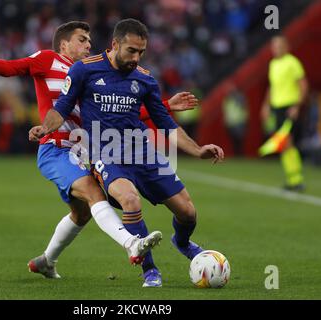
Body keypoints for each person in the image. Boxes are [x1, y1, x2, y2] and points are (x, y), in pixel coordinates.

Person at [0, 21, 199, 285]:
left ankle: (46, 261)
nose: (88, 45)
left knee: (81, 214)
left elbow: (122, 113)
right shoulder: (49, 60)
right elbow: (13, 67)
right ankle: (132, 245)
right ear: (64, 44)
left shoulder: (91, 74)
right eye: (82, 40)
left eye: (89, 41)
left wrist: (164, 106)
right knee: (99, 195)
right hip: (57, 147)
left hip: (85, 150)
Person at [30, 18, 224, 287]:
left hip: (143, 153)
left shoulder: (144, 79)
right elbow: (61, 107)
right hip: (104, 154)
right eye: (131, 51)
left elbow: (165, 123)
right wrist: (45, 128)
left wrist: (197, 149)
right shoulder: (83, 70)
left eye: (141, 52)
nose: (136, 57)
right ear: (115, 44)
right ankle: (150, 270)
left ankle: (181, 242)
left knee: (188, 212)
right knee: (130, 200)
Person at [261, 35, 308, 191]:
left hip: (289, 106)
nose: (276, 49)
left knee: (287, 141)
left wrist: (297, 106)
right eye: (274, 46)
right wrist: (266, 106)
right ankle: (292, 179)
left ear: (286, 46)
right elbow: (272, 87)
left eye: (279, 46)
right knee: (283, 143)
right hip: (277, 108)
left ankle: (296, 179)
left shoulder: (292, 62)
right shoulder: (273, 64)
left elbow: (303, 85)